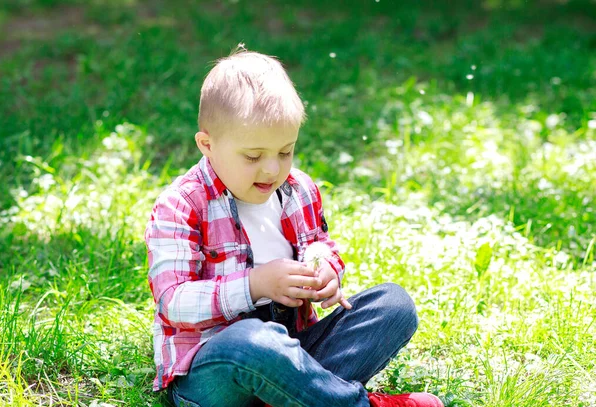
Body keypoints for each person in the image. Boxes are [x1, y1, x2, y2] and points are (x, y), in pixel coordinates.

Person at [144, 45, 443, 407]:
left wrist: (325, 269)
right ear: (207, 144)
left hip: (295, 354)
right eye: (253, 156)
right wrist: (255, 285)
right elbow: (173, 302)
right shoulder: (182, 205)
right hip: (217, 372)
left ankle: (300, 398)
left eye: (285, 151)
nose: (272, 169)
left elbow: (318, 243)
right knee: (253, 342)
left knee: (394, 305)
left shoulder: (296, 189)